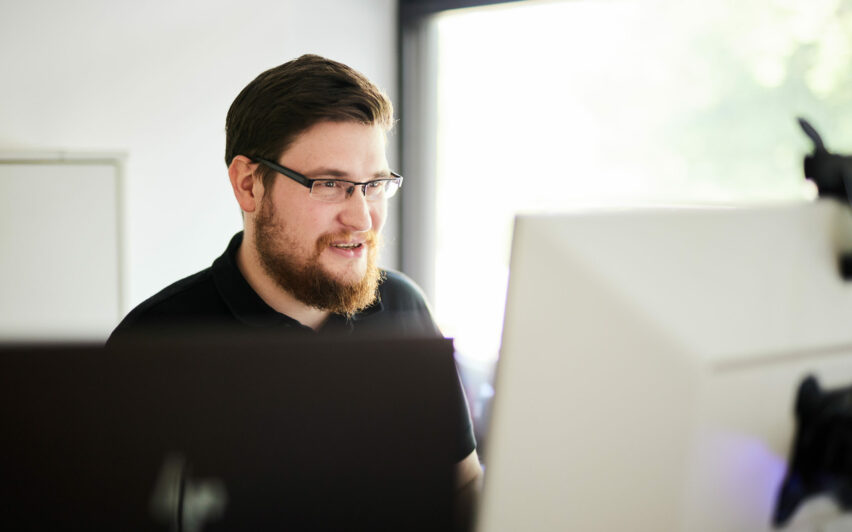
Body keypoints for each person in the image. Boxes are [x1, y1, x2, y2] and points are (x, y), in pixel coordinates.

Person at [108, 53, 482, 514]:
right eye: (329, 184)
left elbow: (462, 485)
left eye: (375, 185)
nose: (362, 218)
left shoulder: (404, 307)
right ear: (249, 184)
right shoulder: (153, 342)